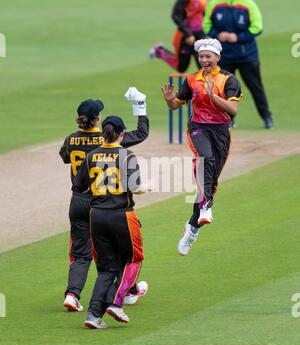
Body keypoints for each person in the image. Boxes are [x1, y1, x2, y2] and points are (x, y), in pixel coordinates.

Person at [59, 88, 149, 312]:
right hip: (103, 201)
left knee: (81, 252)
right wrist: (140, 107)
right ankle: (124, 292)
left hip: (78, 200)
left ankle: (72, 294)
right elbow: (141, 133)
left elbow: (64, 157)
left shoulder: (71, 139)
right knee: (117, 249)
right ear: (97, 119)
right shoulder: (107, 138)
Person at [162, 38, 242, 255]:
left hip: (221, 131)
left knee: (211, 179)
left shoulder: (229, 79)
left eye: (208, 56)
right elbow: (175, 106)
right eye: (202, 56)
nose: (204, 59)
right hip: (198, 128)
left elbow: (232, 110)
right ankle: (206, 206)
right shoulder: (191, 80)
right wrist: (170, 100)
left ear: (218, 57)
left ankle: (192, 228)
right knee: (205, 157)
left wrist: (213, 95)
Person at [203, 0, 274, 129]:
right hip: (224, 55)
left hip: (247, 55)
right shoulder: (214, 3)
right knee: (224, 89)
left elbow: (257, 27)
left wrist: (237, 37)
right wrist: (217, 35)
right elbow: (206, 26)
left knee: (255, 87)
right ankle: (228, 120)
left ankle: (267, 118)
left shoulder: (248, 4)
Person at [149, 0, 208, 72]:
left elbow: (203, 14)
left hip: (199, 35)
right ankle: (159, 51)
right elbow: (175, 15)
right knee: (181, 67)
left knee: (205, 67)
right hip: (185, 37)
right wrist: (188, 33)